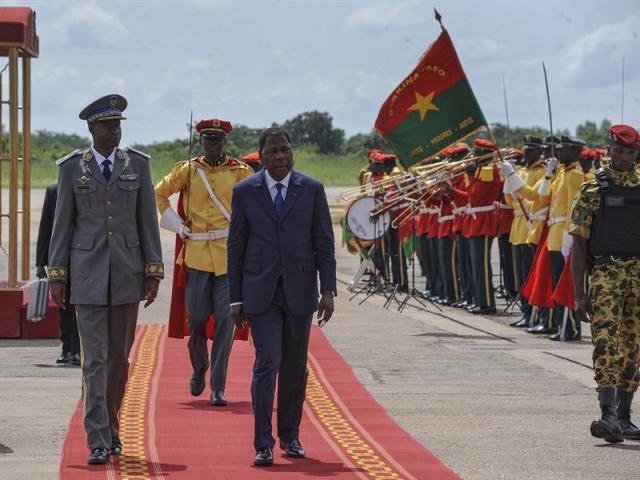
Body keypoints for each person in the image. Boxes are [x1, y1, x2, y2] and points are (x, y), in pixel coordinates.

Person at [48, 94, 164, 465]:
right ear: (91, 129)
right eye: (107, 125)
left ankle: (112, 426)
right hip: (87, 277)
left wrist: (153, 270)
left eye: (118, 125)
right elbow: (62, 225)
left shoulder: (138, 166)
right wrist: (57, 276)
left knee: (119, 360)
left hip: (128, 275)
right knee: (94, 360)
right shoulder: (71, 169)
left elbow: (148, 221)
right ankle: (97, 437)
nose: (114, 131)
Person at [227, 127, 336, 466]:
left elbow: (323, 242)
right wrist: (235, 299)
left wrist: (329, 289)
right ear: (261, 156)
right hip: (260, 294)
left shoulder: (312, 190)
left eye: (285, 150)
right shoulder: (245, 192)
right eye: (272, 151)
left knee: (294, 367)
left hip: (301, 291)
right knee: (267, 362)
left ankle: (290, 435)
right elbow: (236, 247)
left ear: (293, 153)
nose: (279, 157)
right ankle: (263, 442)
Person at [155, 118, 253, 405]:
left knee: (225, 321)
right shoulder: (188, 170)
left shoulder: (239, 172)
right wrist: (174, 223)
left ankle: (218, 387)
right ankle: (200, 366)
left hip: (228, 257)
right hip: (196, 254)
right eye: (207, 139)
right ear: (201, 141)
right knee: (196, 319)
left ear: (225, 142)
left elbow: (254, 204)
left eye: (217, 139)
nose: (212, 144)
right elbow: (159, 193)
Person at [570, 124, 640, 443]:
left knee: (634, 348)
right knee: (605, 344)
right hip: (606, 276)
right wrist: (579, 295)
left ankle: (625, 417)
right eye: (618, 151)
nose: (623, 158)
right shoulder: (592, 189)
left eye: (630, 152)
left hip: (637, 277)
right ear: (608, 149)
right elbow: (580, 246)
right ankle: (607, 414)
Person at [35, 183, 80, 365]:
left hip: (86, 259)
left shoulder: (89, 188)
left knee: (80, 306)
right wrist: (40, 263)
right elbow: (45, 227)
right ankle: (67, 348)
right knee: (64, 306)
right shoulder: (54, 191)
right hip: (60, 259)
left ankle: (78, 350)